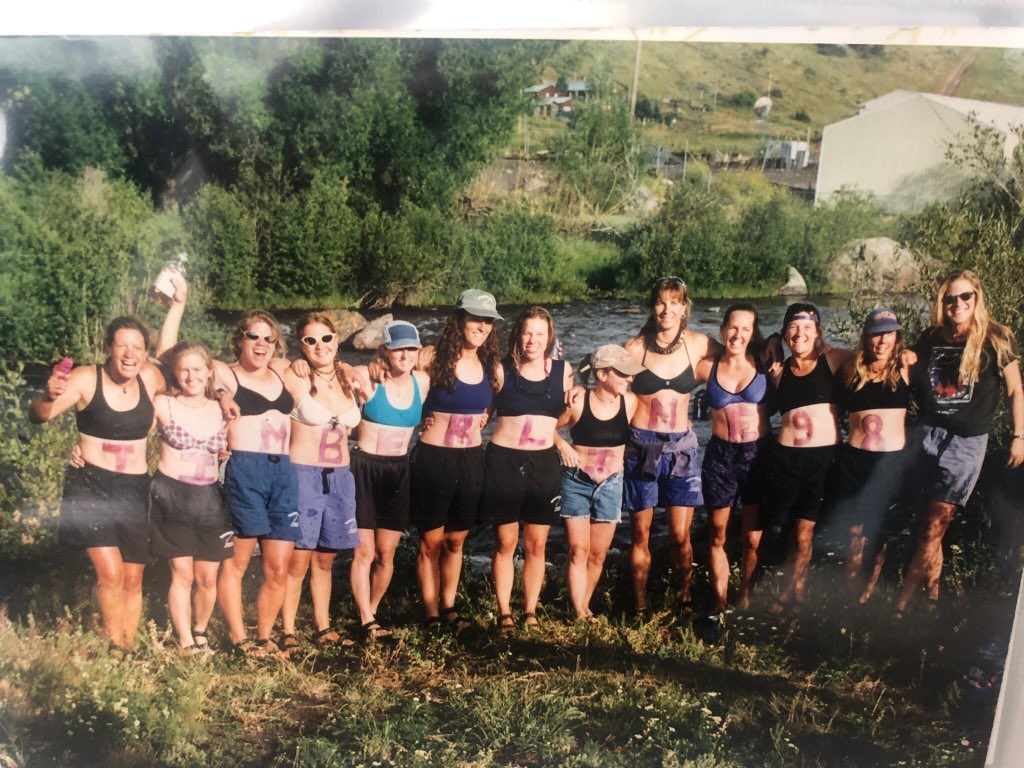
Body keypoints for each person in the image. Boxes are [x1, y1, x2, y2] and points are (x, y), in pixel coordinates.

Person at [29, 315, 167, 648]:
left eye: (138, 347)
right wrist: (47, 395)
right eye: (122, 346)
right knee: (111, 573)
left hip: (136, 488)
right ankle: (114, 646)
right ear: (108, 347)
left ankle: (127, 645)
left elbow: (188, 380)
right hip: (90, 485)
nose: (130, 354)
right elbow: (40, 415)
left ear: (146, 352)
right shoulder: (86, 378)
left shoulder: (151, 376)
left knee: (133, 578)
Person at [895, 270, 1023, 617]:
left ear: (976, 298)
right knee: (927, 525)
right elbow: (909, 364)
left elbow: (1015, 390)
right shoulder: (932, 337)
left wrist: (1019, 437)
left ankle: (900, 608)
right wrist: (905, 354)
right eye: (950, 298)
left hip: (966, 443)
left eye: (965, 296)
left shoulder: (996, 338)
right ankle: (932, 598)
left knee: (934, 525)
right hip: (927, 435)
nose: (958, 303)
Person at [202, 308, 306, 656]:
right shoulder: (226, 373)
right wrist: (221, 395)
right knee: (238, 562)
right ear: (240, 340)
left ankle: (264, 636)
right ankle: (239, 638)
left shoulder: (281, 371)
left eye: (268, 338)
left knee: (278, 566)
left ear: (276, 344)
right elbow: (181, 360)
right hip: (246, 470)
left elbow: (326, 367)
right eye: (253, 336)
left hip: (283, 473)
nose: (261, 344)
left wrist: (343, 368)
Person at [623, 276, 718, 616]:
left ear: (684, 307)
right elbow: (609, 385)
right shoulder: (635, 348)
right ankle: (640, 605)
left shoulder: (699, 344)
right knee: (641, 533)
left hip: (681, 447)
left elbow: (738, 356)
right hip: (642, 445)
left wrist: (708, 395)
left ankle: (685, 598)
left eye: (674, 302)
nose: (667, 309)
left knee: (680, 534)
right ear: (652, 307)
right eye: (660, 302)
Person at [413, 290, 503, 630]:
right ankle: (431, 612)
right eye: (475, 319)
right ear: (459, 320)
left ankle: (449, 606)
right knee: (431, 542)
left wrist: (486, 414)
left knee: (456, 540)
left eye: (488, 321)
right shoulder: (431, 358)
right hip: (434, 460)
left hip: (471, 461)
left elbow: (498, 402)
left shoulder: (491, 367)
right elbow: (394, 373)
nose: (482, 326)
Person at [483, 307, 574, 630]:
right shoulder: (501, 370)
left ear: (550, 338)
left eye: (539, 334)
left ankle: (530, 611)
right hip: (504, 462)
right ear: (517, 336)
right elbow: (482, 412)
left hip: (543, 463)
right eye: (526, 333)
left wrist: (561, 441)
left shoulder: (563, 371)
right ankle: (504, 612)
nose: (532, 340)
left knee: (537, 544)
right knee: (505, 542)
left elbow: (567, 416)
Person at [761, 302, 851, 614]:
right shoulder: (779, 370)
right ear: (786, 333)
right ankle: (797, 591)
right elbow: (750, 345)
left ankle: (789, 595)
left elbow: (870, 359)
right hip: (786, 459)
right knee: (786, 530)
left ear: (817, 332)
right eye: (793, 328)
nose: (800, 334)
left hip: (822, 460)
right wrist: (772, 338)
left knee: (803, 532)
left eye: (807, 328)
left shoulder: (833, 360)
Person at [280, 313, 361, 651]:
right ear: (301, 345)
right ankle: (287, 629)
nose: (319, 346)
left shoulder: (347, 375)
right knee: (298, 558)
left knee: (326, 558)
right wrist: (292, 361)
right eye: (310, 340)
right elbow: (259, 360)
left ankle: (323, 625)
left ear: (336, 339)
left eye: (326, 338)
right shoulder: (293, 374)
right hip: (305, 475)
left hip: (340, 476)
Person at [694, 304, 773, 637]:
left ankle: (746, 603)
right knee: (718, 534)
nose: (738, 335)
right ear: (723, 329)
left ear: (753, 333)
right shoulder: (705, 367)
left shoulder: (766, 363)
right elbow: (662, 383)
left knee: (752, 538)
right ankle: (719, 606)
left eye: (746, 329)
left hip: (757, 454)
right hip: (720, 455)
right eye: (733, 327)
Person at [348, 321, 430, 640]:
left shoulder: (422, 381)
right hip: (365, 468)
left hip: (398, 470)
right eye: (398, 349)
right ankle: (367, 619)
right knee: (364, 553)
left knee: (386, 553)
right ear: (384, 351)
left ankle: (371, 611)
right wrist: (356, 367)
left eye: (411, 349)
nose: (405, 355)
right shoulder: (369, 378)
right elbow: (339, 369)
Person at [150, 341, 233, 654]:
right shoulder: (163, 404)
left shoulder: (221, 409)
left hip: (210, 497)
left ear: (209, 371)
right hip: (172, 494)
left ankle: (200, 630)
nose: (191, 376)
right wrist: (81, 449)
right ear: (174, 373)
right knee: (182, 574)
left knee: (208, 577)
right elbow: (131, 433)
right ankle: (185, 641)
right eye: (184, 370)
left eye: (197, 369)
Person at [830, 308, 915, 603]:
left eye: (888, 334)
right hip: (855, 461)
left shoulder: (906, 367)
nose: (882, 341)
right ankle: (850, 595)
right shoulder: (851, 369)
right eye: (876, 334)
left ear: (897, 337)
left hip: (891, 463)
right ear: (866, 338)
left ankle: (869, 593)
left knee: (880, 533)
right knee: (854, 533)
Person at [554, 344, 641, 620]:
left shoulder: (630, 402)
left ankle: (584, 606)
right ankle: (579, 612)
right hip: (577, 481)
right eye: (623, 374)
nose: (629, 379)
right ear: (602, 375)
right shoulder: (578, 403)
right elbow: (548, 427)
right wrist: (562, 446)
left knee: (598, 554)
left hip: (612, 484)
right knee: (578, 550)